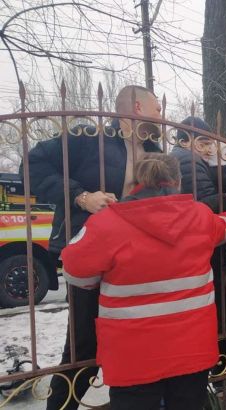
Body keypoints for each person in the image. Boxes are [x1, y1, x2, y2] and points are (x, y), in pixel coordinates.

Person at [25, 85, 162, 410]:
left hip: (136, 260)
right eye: (157, 109)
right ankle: (61, 406)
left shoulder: (154, 148)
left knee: (135, 337)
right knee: (84, 343)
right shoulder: (89, 137)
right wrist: (82, 196)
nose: (161, 116)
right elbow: (33, 166)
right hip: (91, 254)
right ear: (138, 108)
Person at [61, 153, 226, 410]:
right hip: (192, 351)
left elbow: (74, 271)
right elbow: (224, 227)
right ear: (177, 179)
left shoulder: (106, 223)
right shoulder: (200, 216)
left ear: (136, 180)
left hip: (132, 357)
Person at [170, 116, 226, 393]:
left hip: (202, 254)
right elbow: (202, 207)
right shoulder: (187, 161)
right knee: (220, 322)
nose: (209, 149)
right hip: (208, 252)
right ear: (183, 140)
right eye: (203, 142)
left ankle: (222, 381)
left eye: (211, 143)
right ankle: (223, 383)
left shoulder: (188, 161)